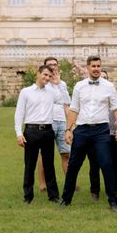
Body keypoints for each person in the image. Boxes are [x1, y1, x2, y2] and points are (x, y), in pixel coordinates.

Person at [60, 56, 117, 211]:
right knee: (74, 165)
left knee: (107, 164)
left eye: (98, 66)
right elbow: (74, 109)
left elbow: (116, 108)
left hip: (101, 130)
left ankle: (113, 201)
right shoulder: (79, 86)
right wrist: (68, 129)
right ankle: (66, 199)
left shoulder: (109, 86)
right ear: (87, 68)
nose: (96, 68)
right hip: (81, 130)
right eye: (93, 66)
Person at [14, 64, 61, 204]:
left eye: (49, 76)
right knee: (30, 165)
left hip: (47, 131)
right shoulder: (26, 92)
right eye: (45, 75)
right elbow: (19, 113)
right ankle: (28, 196)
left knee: (49, 164)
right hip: (31, 131)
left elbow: (62, 99)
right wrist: (18, 133)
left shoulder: (52, 92)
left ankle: (53, 195)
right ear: (38, 74)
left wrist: (56, 84)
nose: (47, 78)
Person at [89, 70, 117, 199]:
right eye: (101, 77)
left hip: (112, 133)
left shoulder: (114, 93)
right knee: (94, 163)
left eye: (105, 77)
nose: (103, 79)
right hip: (95, 133)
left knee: (115, 162)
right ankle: (95, 191)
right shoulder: (91, 94)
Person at [37, 57, 71, 192]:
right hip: (48, 122)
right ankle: (42, 184)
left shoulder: (62, 84)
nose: (53, 67)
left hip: (62, 121)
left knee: (66, 153)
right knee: (44, 154)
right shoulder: (43, 84)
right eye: (49, 65)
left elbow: (67, 103)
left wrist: (70, 125)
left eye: (55, 65)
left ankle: (70, 182)